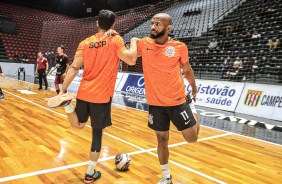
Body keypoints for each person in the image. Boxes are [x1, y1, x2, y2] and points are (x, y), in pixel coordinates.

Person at [50, 10, 139, 183]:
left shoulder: (85, 42)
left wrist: (63, 90)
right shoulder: (116, 39)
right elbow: (131, 60)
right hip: (101, 96)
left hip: (84, 93)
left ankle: (68, 105)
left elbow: (74, 67)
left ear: (97, 23)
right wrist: (134, 42)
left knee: (78, 125)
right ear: (113, 25)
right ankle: (90, 173)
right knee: (97, 134)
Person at [136, 13, 199, 184]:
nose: (153, 27)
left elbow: (187, 70)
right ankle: (166, 177)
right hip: (155, 104)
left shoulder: (179, 47)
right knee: (161, 138)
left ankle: (192, 106)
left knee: (192, 138)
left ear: (168, 28)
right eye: (152, 23)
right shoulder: (144, 43)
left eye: (157, 24)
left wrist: (193, 89)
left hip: (177, 101)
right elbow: (128, 55)